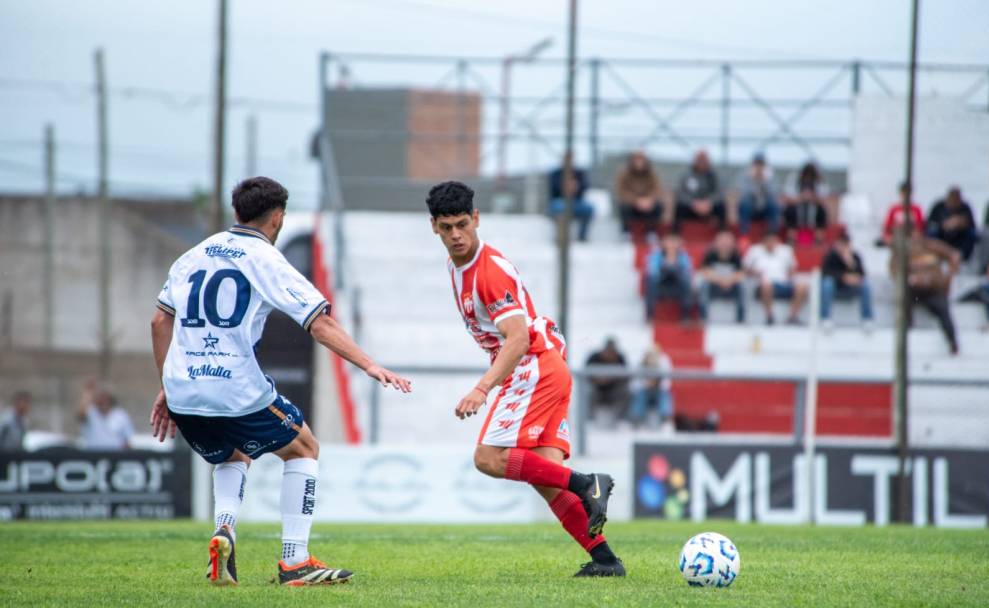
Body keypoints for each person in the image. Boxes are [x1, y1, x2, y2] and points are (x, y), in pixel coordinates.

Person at [150, 176, 411, 586]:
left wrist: (168, 383)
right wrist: (369, 365)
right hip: (234, 386)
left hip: (184, 388)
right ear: (277, 218)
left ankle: (224, 530)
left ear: (237, 212)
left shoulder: (192, 256)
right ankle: (295, 560)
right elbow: (318, 322)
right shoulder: (264, 258)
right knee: (304, 446)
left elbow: (159, 319)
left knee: (232, 454)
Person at [425, 181, 625, 577]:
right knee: (546, 477)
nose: (456, 234)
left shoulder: (487, 273)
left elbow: (517, 339)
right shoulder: (456, 265)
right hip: (548, 366)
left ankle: (589, 483)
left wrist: (483, 388)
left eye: (462, 224)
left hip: (533, 366)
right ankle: (605, 560)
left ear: (476, 218)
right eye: (446, 227)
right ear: (434, 226)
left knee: (488, 458)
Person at [889, 233, 960, 354]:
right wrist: (906, 279)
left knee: (944, 311)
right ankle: (907, 334)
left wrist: (948, 277)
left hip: (934, 290)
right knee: (903, 300)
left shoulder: (932, 246)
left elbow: (954, 256)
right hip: (914, 290)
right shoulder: (902, 251)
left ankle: (953, 343)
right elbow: (893, 268)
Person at [744, 231, 809, 325]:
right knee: (766, 285)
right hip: (763, 284)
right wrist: (755, 273)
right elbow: (746, 269)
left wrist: (789, 274)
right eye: (768, 241)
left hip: (784, 283)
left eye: (773, 240)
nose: (771, 243)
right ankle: (770, 317)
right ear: (764, 241)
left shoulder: (786, 250)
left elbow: (793, 269)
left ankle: (792, 316)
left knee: (802, 287)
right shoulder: (755, 250)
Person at [820, 234, 873, 330]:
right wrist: (843, 277)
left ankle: (867, 319)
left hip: (850, 289)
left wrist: (851, 263)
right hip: (835, 289)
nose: (843, 248)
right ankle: (825, 318)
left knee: (865, 285)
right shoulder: (830, 256)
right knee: (827, 284)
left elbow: (862, 275)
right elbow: (825, 273)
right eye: (841, 244)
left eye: (846, 245)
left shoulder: (855, 257)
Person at [697, 230, 746, 324]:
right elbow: (706, 272)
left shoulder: (736, 256)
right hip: (715, 287)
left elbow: (741, 273)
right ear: (716, 242)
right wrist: (721, 281)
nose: (725, 245)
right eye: (722, 242)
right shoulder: (710, 255)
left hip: (731, 287)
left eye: (727, 242)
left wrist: (729, 281)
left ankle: (741, 318)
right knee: (705, 285)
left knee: (741, 286)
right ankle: (703, 317)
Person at [644, 233, 694, 323]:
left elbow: (688, 272)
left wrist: (674, 267)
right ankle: (650, 316)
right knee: (651, 280)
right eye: (669, 242)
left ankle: (685, 316)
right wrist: (666, 267)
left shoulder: (684, 256)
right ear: (663, 244)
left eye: (674, 242)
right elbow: (652, 271)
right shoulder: (656, 256)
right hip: (660, 286)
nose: (671, 245)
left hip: (677, 286)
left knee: (685, 280)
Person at [615, 150, 664, 235]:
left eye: (641, 160)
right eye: (637, 160)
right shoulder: (624, 174)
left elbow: (657, 189)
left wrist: (649, 199)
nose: (639, 163)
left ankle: (651, 231)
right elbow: (621, 191)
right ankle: (626, 232)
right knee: (624, 207)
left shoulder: (651, 174)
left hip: (648, 203)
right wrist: (636, 201)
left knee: (659, 206)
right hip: (631, 203)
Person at [674, 150, 725, 230]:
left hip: (709, 207)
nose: (702, 163)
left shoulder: (714, 175)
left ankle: (723, 232)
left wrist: (709, 202)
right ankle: (675, 233)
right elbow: (680, 193)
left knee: (721, 206)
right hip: (691, 207)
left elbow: (719, 193)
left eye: (704, 160)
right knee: (679, 206)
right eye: (699, 160)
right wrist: (693, 203)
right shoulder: (686, 174)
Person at [585, 339, 631, 425]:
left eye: (612, 352)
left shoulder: (620, 358)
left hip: (613, 390)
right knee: (587, 391)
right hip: (597, 389)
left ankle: (621, 420)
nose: (610, 354)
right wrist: (598, 380)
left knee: (626, 392)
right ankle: (589, 420)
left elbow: (626, 377)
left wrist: (612, 378)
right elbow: (585, 375)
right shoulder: (594, 357)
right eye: (608, 351)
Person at [78, 380, 134, 451]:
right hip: (93, 456)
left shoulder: (120, 415)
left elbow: (127, 440)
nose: (103, 401)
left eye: (105, 398)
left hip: (115, 456)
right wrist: (88, 393)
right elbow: (80, 415)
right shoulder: (90, 412)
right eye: (100, 398)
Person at [549, 157, 595, 242]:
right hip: (560, 201)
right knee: (559, 208)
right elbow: (553, 189)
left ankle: (582, 237)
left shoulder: (579, 173)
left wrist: (576, 187)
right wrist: (565, 187)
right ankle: (561, 237)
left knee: (589, 208)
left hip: (577, 202)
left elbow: (584, 187)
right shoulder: (556, 174)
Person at [627, 346, 674, 429]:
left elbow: (667, 384)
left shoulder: (663, 363)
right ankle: (637, 422)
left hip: (659, 392)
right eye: (649, 355)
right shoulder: (640, 364)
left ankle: (666, 421)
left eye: (654, 355)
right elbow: (633, 385)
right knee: (640, 395)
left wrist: (656, 383)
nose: (651, 357)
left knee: (665, 395)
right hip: (644, 392)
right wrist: (645, 384)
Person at [927, 187, 977, 263]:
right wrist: (944, 225)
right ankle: (936, 255)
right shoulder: (938, 206)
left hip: (959, 237)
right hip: (941, 237)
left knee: (971, 234)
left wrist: (960, 223)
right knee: (932, 232)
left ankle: (963, 257)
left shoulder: (965, 207)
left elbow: (972, 225)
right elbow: (930, 223)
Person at [736, 152, 780, 235]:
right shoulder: (746, 175)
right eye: (757, 163)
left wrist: (764, 181)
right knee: (745, 203)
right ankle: (744, 234)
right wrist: (753, 180)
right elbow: (744, 193)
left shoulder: (771, 176)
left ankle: (773, 234)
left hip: (765, 208)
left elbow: (774, 193)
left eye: (761, 163)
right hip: (751, 208)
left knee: (773, 204)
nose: (759, 166)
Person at [880, 182, 925, 246]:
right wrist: (887, 237)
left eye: (908, 194)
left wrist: (917, 233)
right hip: (897, 239)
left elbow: (920, 227)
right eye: (903, 194)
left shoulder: (916, 209)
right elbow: (887, 227)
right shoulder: (894, 209)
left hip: (913, 239)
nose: (905, 196)